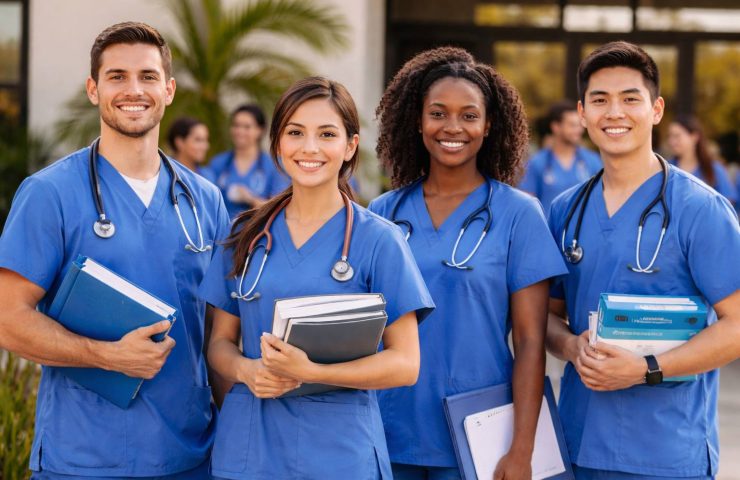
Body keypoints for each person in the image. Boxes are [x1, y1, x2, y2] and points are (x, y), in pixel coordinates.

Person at [0, 22, 230, 479]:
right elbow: (7, 318)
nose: (133, 90)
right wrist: (105, 356)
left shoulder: (204, 200)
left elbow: (219, 331)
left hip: (189, 456)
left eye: (147, 77)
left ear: (168, 90)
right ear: (93, 89)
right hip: (84, 457)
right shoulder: (50, 194)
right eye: (116, 76)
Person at [198, 76, 434, 480]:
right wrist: (245, 371)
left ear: (349, 146)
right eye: (295, 132)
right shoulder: (245, 236)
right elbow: (218, 344)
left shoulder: (379, 240)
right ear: (277, 144)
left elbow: (405, 364)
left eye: (327, 134)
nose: (309, 148)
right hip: (250, 449)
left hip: (339, 453)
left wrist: (312, 373)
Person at [369, 47, 568, 480]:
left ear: (489, 123)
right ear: (417, 121)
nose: (452, 127)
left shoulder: (519, 214)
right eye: (438, 113)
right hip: (389, 427)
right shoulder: (383, 212)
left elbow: (531, 343)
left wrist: (522, 449)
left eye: (469, 115)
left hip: (477, 434)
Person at [546, 41, 740, 479]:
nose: (614, 112)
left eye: (630, 99)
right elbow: (547, 318)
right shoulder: (565, 210)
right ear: (582, 113)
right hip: (577, 444)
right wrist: (570, 346)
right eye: (600, 100)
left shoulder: (700, 210)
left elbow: (736, 325)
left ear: (655, 110)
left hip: (668, 451)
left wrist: (645, 369)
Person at [208, 104, 290, 218]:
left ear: (260, 130)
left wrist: (250, 199)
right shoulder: (218, 163)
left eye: (247, 127)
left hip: (259, 233)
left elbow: (280, 208)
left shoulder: (275, 165)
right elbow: (207, 203)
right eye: (236, 125)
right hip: (224, 234)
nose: (240, 131)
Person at [520, 100, 602, 214]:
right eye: (572, 125)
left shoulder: (593, 161)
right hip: (549, 231)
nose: (578, 130)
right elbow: (527, 206)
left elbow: (601, 201)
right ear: (556, 127)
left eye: (579, 125)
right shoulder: (537, 163)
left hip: (583, 231)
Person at [667, 115, 738, 206]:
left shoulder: (714, 169)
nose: (671, 141)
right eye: (669, 136)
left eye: (677, 136)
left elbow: (728, 203)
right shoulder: (666, 168)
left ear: (694, 136)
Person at [167, 116, 216, 182]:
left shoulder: (207, 176)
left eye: (206, 140)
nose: (206, 146)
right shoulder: (164, 173)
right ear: (179, 142)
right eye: (198, 140)